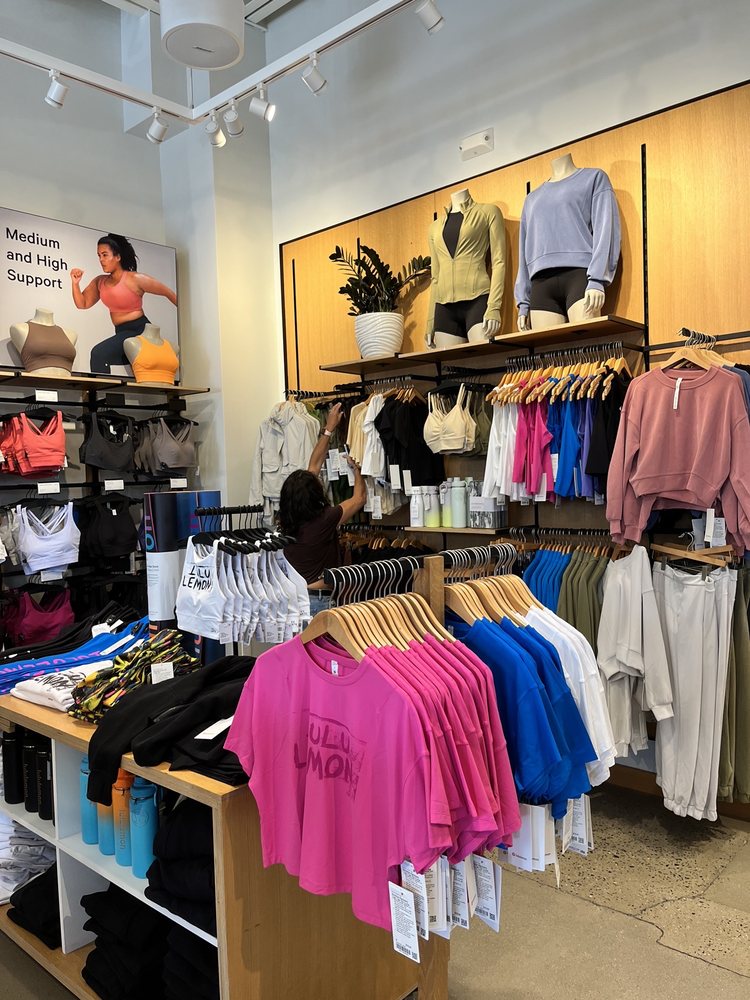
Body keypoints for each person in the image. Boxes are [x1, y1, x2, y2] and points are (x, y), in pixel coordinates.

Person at [278, 403, 367, 617]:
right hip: (319, 602)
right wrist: (357, 471)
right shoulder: (324, 520)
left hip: (293, 600)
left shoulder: (286, 523)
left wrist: (328, 430)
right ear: (314, 494)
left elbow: (313, 468)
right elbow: (359, 499)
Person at [70, 233, 177, 374]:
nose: (101, 260)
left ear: (118, 257)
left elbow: (169, 293)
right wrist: (75, 283)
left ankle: (102, 389)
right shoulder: (100, 282)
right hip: (121, 333)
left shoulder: (135, 279)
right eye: (99, 256)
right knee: (105, 359)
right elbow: (82, 303)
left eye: (105, 255)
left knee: (98, 354)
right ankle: (107, 388)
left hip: (140, 331)